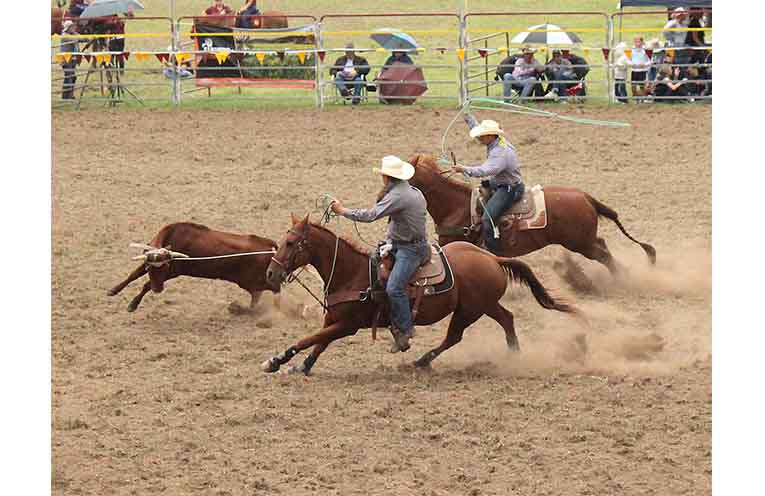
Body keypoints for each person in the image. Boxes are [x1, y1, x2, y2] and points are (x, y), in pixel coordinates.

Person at [330, 156, 430, 353]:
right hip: (399, 244)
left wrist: (342, 210)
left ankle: (405, 329)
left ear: (387, 177)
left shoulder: (398, 196)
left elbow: (371, 215)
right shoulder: (410, 190)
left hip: (410, 249)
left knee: (394, 288)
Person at [452, 115, 524, 254]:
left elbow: (486, 170)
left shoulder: (500, 153)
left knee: (487, 219)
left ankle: (494, 253)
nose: (479, 138)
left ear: (491, 135)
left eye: (482, 135)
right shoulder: (497, 141)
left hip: (509, 189)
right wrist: (468, 117)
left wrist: (464, 169)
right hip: (501, 182)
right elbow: (476, 128)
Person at [60, 20, 79, 100]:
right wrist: (79, 37)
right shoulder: (65, 35)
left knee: (72, 77)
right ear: (68, 28)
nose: (73, 28)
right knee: (69, 76)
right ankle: (65, 96)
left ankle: (70, 94)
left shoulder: (73, 34)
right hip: (66, 60)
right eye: (71, 26)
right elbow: (76, 39)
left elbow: (82, 38)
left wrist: (90, 38)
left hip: (72, 59)